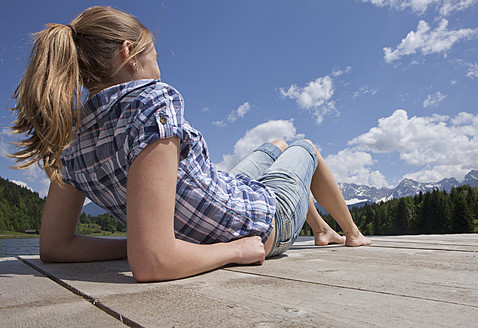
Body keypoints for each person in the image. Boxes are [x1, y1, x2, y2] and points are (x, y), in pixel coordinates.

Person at [9, 6, 371, 282]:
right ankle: (352, 235)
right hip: (263, 224)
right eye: (154, 54)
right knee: (304, 146)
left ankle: (323, 230)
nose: (158, 64)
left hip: (224, 193)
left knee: (276, 144)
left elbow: (55, 248)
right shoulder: (151, 102)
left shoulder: (68, 135)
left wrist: (136, 242)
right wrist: (231, 250)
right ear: (128, 54)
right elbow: (152, 262)